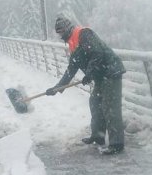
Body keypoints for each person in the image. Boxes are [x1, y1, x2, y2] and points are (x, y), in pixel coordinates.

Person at [45, 15, 126, 154]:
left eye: (61, 31)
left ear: (67, 28)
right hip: (100, 75)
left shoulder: (84, 34)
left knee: (110, 107)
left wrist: (89, 73)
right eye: (58, 32)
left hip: (110, 72)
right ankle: (98, 136)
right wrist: (57, 88)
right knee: (95, 102)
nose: (60, 35)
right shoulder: (72, 43)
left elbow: (97, 53)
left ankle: (117, 144)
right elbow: (71, 70)